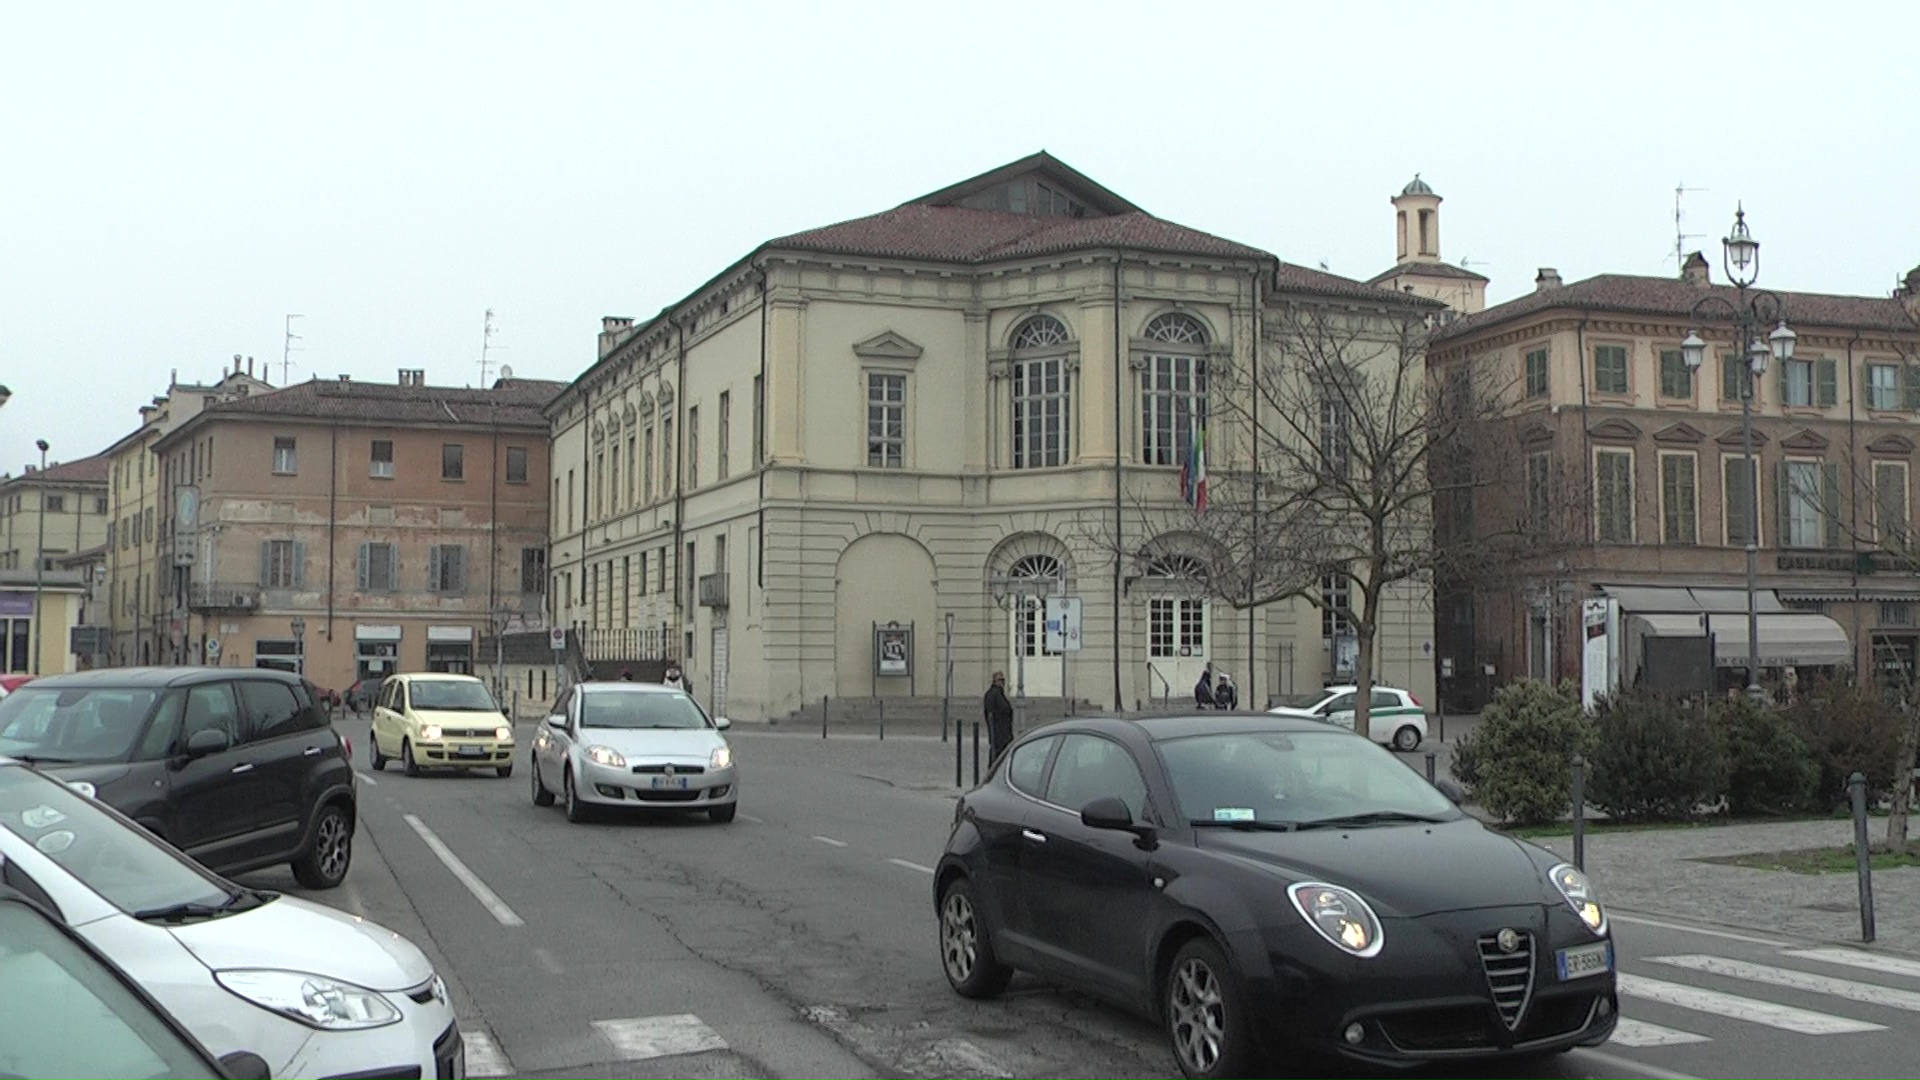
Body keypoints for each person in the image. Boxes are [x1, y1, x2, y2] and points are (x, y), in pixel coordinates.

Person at [983, 671, 1014, 763]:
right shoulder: (995, 693)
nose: (1002, 682)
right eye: (999, 680)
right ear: (994, 681)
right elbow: (1002, 709)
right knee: (998, 751)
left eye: (1003, 680)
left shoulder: (997, 693)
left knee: (997, 751)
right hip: (999, 728)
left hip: (1000, 728)